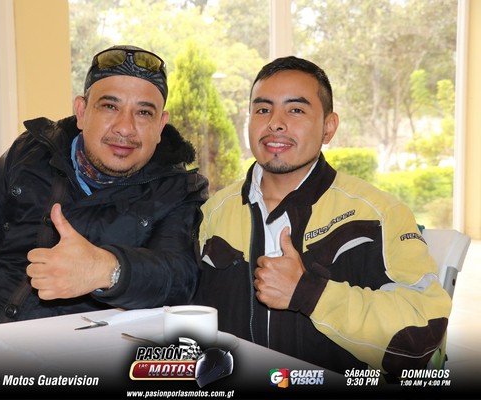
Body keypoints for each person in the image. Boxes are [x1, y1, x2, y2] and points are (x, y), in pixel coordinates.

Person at [0, 45, 208, 338]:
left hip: (82, 359)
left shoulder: (178, 189)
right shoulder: (31, 154)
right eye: (110, 106)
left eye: (144, 113)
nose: (125, 127)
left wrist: (107, 269)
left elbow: (179, 279)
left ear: (161, 125)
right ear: (82, 112)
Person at [193, 56, 452, 380]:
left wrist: (309, 293)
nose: (275, 123)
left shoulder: (377, 214)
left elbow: (423, 333)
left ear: (328, 127)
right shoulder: (215, 211)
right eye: (263, 109)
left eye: (295, 110)